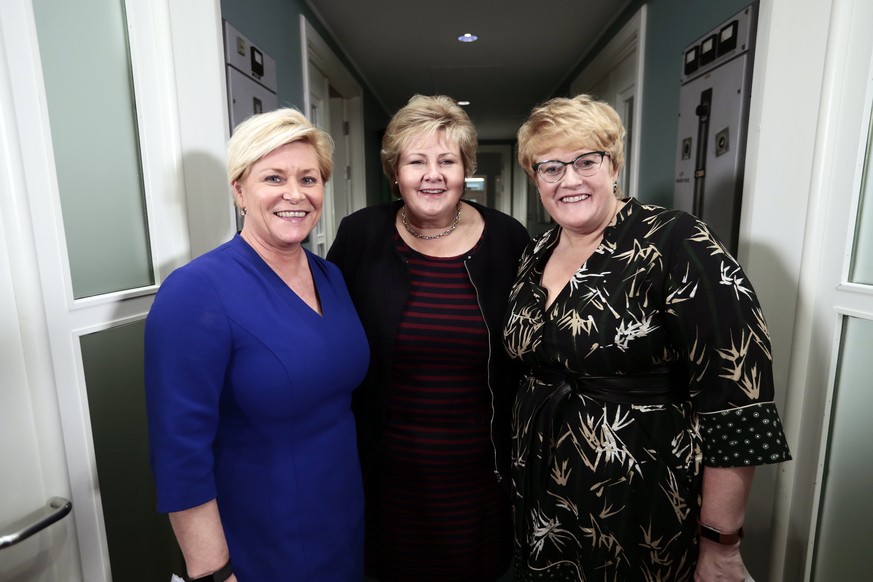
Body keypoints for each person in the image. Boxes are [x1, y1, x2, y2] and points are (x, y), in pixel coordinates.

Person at [502, 94, 791, 582]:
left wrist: (721, 544)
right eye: (550, 168)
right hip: (542, 496)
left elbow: (737, 400)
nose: (568, 180)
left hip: (639, 501)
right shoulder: (537, 250)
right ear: (536, 180)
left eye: (585, 161)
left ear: (613, 164)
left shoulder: (676, 241)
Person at [144, 108, 369, 581]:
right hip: (261, 539)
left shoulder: (330, 276)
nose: (295, 194)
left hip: (340, 521)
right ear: (239, 189)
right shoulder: (195, 291)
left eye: (309, 178)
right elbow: (180, 452)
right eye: (273, 177)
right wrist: (212, 571)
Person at [327, 94, 530, 581]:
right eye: (416, 161)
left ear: (466, 170)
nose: (432, 174)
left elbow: (532, 349)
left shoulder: (509, 239)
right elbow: (325, 330)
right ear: (395, 173)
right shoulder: (361, 234)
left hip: (480, 471)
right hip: (386, 469)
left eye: (447, 161)